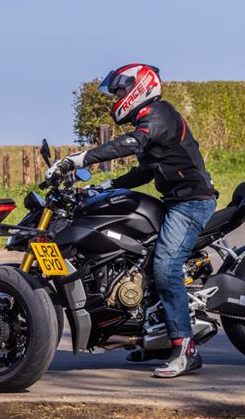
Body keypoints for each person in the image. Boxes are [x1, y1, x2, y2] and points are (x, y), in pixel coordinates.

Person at [46, 63, 217, 378]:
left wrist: (78, 160)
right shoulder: (151, 120)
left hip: (191, 203)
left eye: (121, 89)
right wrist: (106, 187)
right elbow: (145, 170)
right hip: (176, 201)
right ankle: (153, 339)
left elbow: (131, 144)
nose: (118, 96)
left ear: (140, 87)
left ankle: (185, 350)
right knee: (143, 259)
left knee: (165, 270)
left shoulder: (159, 115)